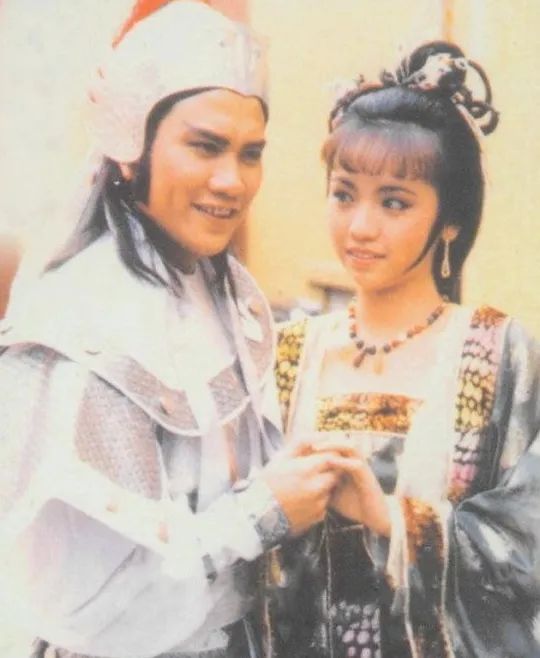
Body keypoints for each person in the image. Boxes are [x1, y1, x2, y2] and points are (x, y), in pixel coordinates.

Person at [0, 2, 341, 657]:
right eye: (205, 146)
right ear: (132, 149)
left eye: (250, 154)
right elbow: (97, 604)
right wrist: (265, 512)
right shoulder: (82, 326)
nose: (232, 181)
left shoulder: (227, 292)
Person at [263, 41, 540, 658]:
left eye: (394, 202)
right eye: (344, 194)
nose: (360, 226)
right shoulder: (288, 354)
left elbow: (527, 544)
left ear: (451, 220)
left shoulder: (500, 354)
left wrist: (389, 516)